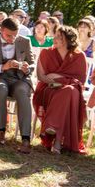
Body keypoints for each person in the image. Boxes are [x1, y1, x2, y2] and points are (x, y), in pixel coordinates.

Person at [0, 17, 34, 153]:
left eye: (15, 35)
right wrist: (2, 67)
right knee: (1, 88)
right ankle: (1, 131)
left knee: (22, 92)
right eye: (9, 35)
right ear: (1, 30)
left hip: (18, 79)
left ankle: (26, 139)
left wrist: (27, 67)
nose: (12, 39)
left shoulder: (24, 41)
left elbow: (32, 63)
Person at [34, 26, 87, 154]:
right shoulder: (46, 52)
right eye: (55, 35)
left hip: (71, 91)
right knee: (69, 93)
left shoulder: (79, 56)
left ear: (68, 40)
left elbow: (80, 81)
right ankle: (56, 141)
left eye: (59, 37)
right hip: (49, 89)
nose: (54, 38)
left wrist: (59, 78)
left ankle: (53, 130)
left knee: (69, 91)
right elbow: (41, 77)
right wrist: (54, 81)